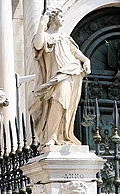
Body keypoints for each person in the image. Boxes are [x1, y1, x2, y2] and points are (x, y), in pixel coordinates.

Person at [30, 8, 91, 147]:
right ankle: (51, 136)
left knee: (69, 106)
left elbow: (75, 52)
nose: (63, 19)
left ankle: (64, 135)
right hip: (58, 75)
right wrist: (41, 23)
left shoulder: (64, 37)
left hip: (73, 71)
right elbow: (38, 45)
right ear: (53, 18)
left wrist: (86, 60)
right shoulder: (45, 36)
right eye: (60, 16)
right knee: (59, 101)